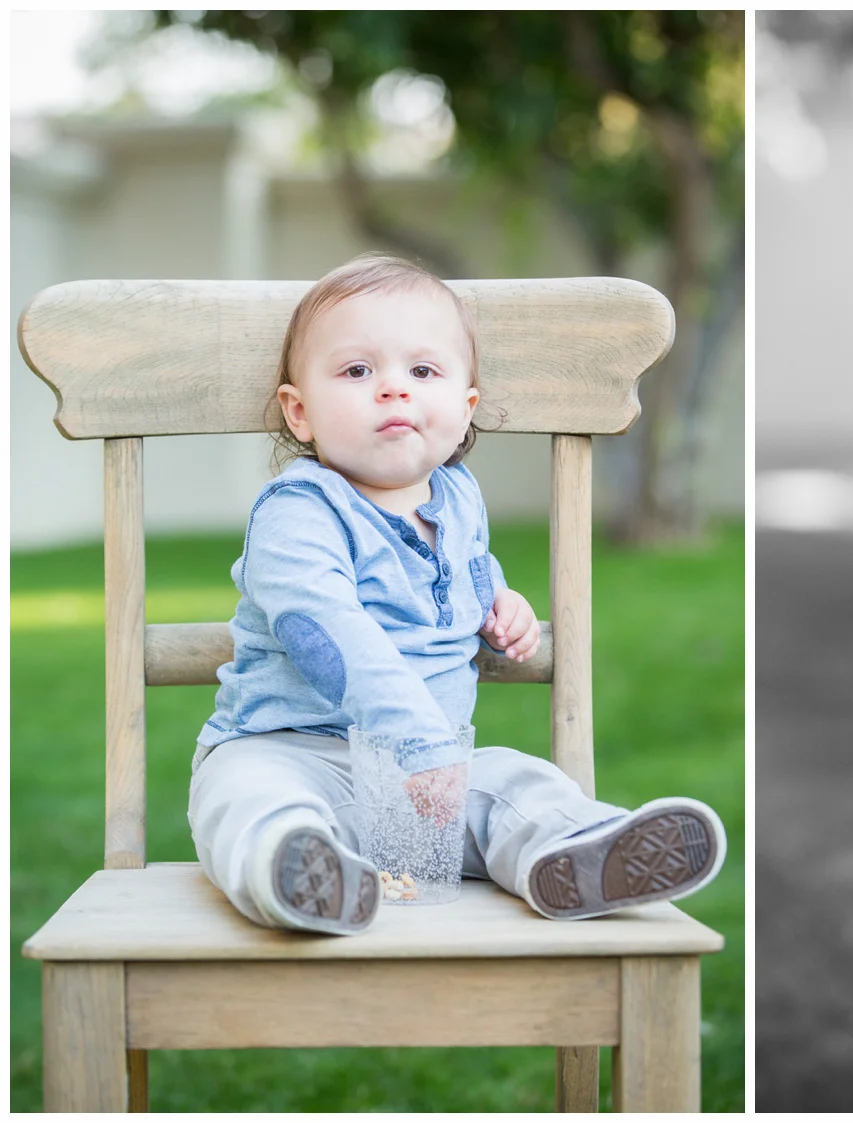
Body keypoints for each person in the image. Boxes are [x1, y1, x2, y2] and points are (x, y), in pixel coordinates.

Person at [189, 253, 725, 935]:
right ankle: (296, 868)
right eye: (358, 371)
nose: (393, 389)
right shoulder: (298, 510)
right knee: (246, 799)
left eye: (423, 371)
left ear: (464, 404)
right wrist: (418, 744)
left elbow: (467, 567)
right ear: (300, 412)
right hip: (290, 751)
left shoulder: (458, 496)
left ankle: (579, 849)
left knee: (514, 784)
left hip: (430, 781)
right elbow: (322, 629)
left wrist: (499, 599)